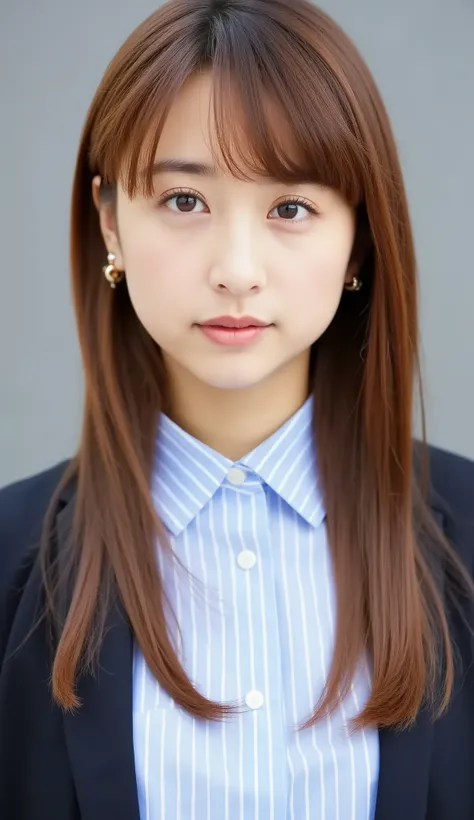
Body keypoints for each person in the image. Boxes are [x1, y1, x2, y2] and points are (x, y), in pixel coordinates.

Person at [1, 0, 473, 817]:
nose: (237, 269)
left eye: (291, 208)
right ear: (110, 221)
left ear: (358, 240)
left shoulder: (465, 537)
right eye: (185, 200)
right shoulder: (10, 561)